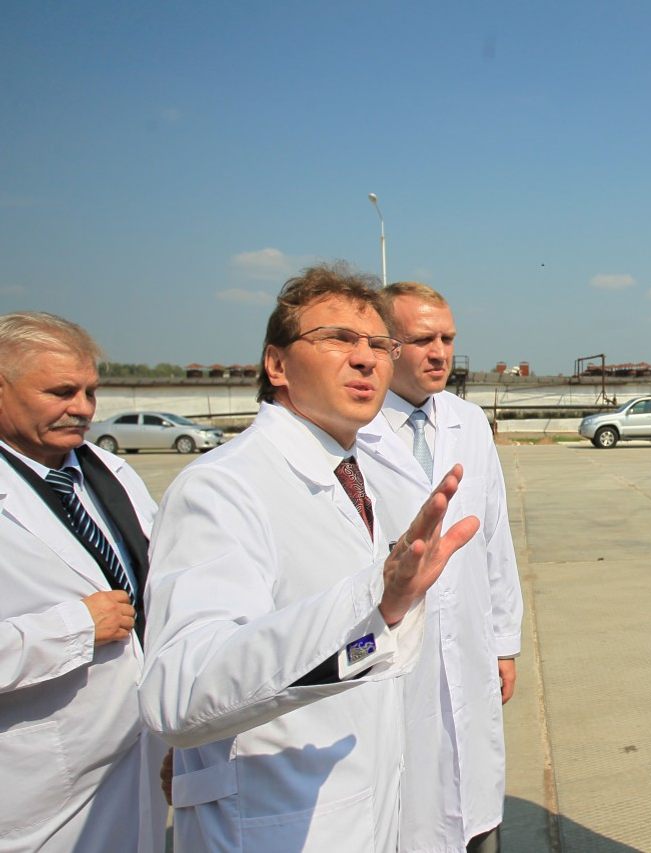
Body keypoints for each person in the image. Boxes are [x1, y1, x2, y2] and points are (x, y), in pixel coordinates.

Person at [139, 263, 479, 852]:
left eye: (379, 344)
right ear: (276, 365)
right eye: (338, 339)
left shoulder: (365, 479)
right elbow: (180, 691)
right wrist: (373, 604)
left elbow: (366, 658)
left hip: (368, 813)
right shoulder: (221, 488)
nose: (366, 359)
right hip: (272, 822)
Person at [363, 281, 523, 853]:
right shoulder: (355, 431)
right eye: (423, 340)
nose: (440, 353)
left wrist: (504, 644)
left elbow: (495, 538)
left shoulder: (469, 422)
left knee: (474, 804)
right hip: (393, 654)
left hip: (472, 646)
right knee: (407, 809)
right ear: (386, 345)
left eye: (447, 339)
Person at [0, 312, 167, 852]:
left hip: (134, 757)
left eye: (91, 391)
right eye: (61, 392)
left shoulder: (107, 472)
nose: (83, 408)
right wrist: (75, 628)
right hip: (34, 790)